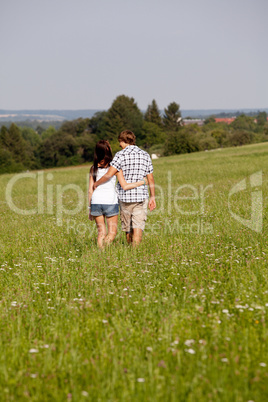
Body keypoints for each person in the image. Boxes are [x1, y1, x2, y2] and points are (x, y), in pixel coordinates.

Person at [93, 130, 156, 246]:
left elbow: (109, 174)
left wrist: (96, 183)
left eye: (120, 142)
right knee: (138, 226)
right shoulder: (145, 154)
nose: (119, 145)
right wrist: (153, 197)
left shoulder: (120, 155)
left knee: (128, 228)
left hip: (125, 197)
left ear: (123, 141)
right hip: (141, 197)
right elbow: (150, 179)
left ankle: (128, 249)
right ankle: (135, 252)